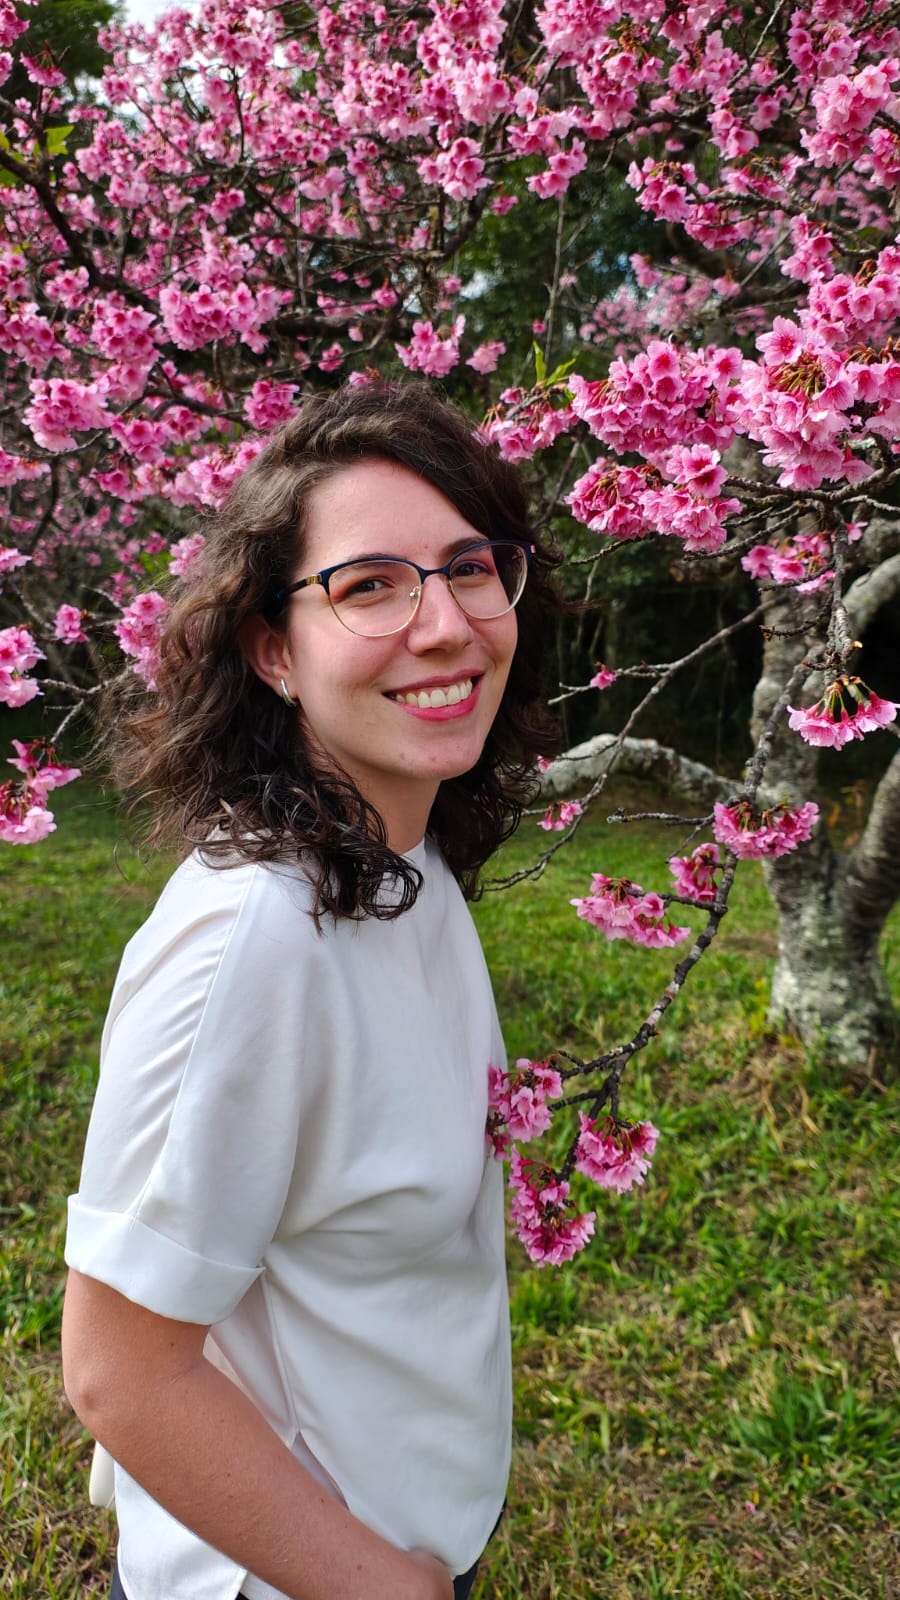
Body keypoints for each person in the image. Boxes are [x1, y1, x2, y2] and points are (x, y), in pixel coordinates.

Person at [62, 380, 560, 1600]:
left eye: (471, 566)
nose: (445, 625)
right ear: (274, 649)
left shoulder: (407, 856)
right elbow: (121, 1368)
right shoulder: (250, 941)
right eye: (372, 584)